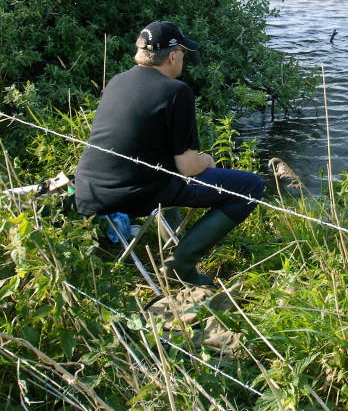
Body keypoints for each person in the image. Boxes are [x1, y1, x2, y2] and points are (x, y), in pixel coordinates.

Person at [75, 20, 265, 286]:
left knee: (167, 172)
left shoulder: (117, 81)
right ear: (173, 56)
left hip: (88, 190)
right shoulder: (176, 92)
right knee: (250, 186)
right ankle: (180, 266)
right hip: (133, 195)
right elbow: (189, 167)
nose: (183, 58)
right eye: (183, 53)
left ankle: (172, 239)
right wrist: (207, 160)